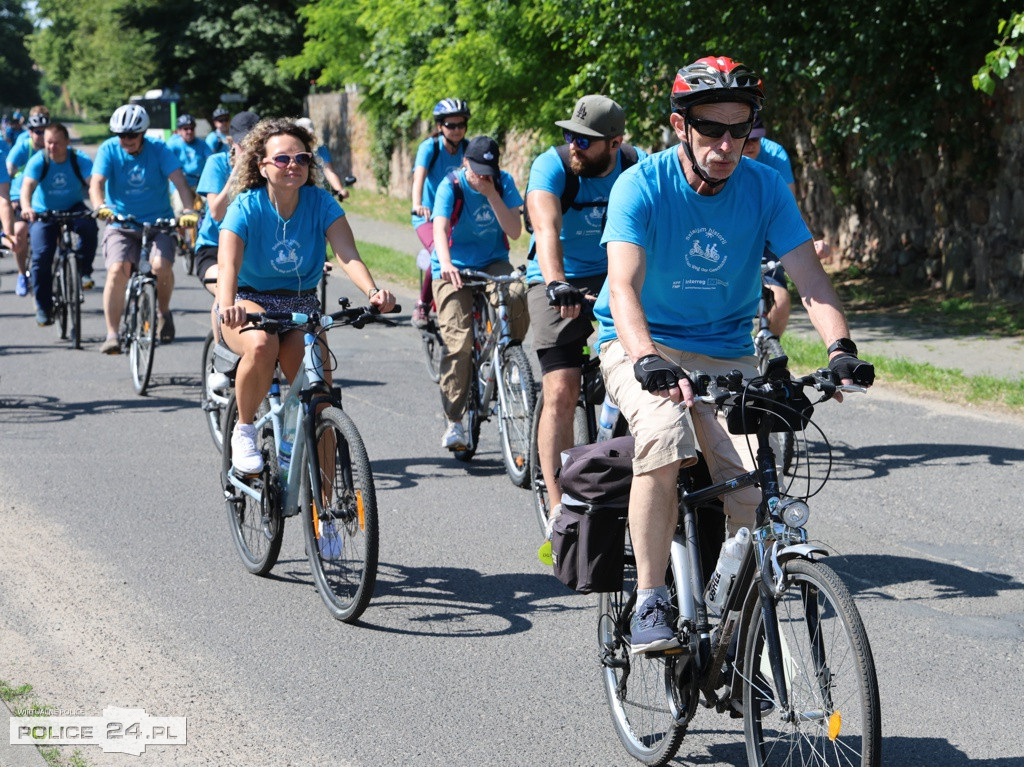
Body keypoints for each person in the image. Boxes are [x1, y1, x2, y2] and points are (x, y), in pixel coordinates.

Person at [593, 55, 875, 653]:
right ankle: (649, 600)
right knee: (665, 435)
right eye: (711, 129)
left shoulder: (765, 186)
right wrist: (646, 358)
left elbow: (812, 280)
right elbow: (622, 287)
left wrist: (841, 347)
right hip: (641, 340)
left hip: (727, 351)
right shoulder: (640, 185)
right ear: (679, 127)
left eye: (738, 129)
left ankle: (735, 630)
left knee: (752, 485)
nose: (726, 144)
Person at [216, 117, 396, 473]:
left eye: (301, 158)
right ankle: (245, 429)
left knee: (319, 404)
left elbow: (348, 254)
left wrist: (374, 292)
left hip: (301, 305)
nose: (293, 166)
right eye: (282, 159)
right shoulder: (245, 206)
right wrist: (228, 306)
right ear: (262, 165)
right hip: (249, 301)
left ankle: (327, 522)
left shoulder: (321, 202)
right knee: (262, 345)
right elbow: (228, 267)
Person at [524, 94, 645, 531]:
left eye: (585, 140)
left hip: (617, 273)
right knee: (561, 389)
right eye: (569, 135)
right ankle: (560, 506)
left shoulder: (636, 165)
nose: (573, 144)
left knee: (649, 371)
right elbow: (546, 226)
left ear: (615, 143)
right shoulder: (551, 166)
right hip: (557, 276)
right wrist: (556, 282)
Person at [431, 135, 527, 450]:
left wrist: (492, 195)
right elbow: (440, 229)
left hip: (492, 261)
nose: (481, 175)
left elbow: (514, 231)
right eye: (476, 169)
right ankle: (455, 422)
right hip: (453, 266)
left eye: (488, 169)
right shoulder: (452, 185)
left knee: (516, 293)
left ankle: (509, 353)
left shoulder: (502, 182)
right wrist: (445, 263)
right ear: (465, 163)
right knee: (459, 344)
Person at [89, 104, 198, 353]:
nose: (125, 140)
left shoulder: (160, 149)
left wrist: (189, 210)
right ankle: (112, 334)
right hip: (121, 223)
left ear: (143, 133)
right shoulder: (109, 149)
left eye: (131, 135)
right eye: (121, 135)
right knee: (117, 271)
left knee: (161, 266)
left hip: (158, 222)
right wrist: (100, 205)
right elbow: (97, 182)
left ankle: (163, 311)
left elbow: (179, 181)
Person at [741, 115, 831, 337]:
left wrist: (807, 245)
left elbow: (788, 211)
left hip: (766, 232)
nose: (752, 145)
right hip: (732, 234)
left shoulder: (775, 154)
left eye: (757, 139)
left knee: (779, 302)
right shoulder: (721, 158)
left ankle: (767, 350)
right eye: (747, 139)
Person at [18, 122, 98, 325]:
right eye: (48, 143)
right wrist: (27, 207)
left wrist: (101, 204)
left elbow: (92, 184)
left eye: (57, 143)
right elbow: (27, 187)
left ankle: (84, 270)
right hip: (44, 211)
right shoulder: (40, 160)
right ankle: (44, 307)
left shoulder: (78, 159)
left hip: (73, 206)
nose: (52, 147)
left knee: (90, 227)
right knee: (41, 256)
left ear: (68, 142)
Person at [410, 98, 471, 327]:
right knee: (439, 251)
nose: (456, 130)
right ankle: (423, 304)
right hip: (427, 216)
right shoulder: (430, 147)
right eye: (450, 125)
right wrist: (417, 203)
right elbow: (419, 177)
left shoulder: (467, 148)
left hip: (454, 215)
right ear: (440, 126)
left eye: (460, 125)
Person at [6, 108, 50, 297]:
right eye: (38, 131)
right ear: (30, 132)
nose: (42, 135)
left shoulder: (55, 146)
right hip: (20, 197)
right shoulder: (23, 146)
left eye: (45, 130)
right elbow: (7, 172)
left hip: (47, 198)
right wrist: (9, 200)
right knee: (20, 232)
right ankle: (22, 273)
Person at [295, 117, 350, 201]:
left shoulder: (320, 150)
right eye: (305, 136)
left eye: (310, 135)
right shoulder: (291, 151)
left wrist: (340, 190)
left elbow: (329, 171)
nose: (309, 138)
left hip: (317, 195)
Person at [166, 113, 213, 197]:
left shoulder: (202, 144)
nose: (189, 131)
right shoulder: (173, 145)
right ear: (179, 131)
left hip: (199, 185)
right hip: (180, 185)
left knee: (208, 205)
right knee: (180, 208)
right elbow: (165, 163)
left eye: (192, 128)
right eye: (186, 128)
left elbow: (211, 159)